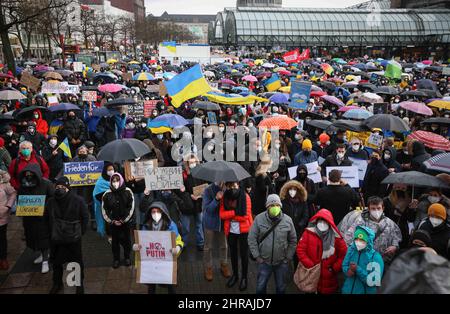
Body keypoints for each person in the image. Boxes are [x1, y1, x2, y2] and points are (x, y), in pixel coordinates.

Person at [46, 176, 89, 294]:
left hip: (73, 238)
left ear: (68, 187)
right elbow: (46, 218)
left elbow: (85, 217)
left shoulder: (78, 200)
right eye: (58, 187)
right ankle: (57, 283)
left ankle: (79, 284)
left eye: (63, 186)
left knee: (76, 262)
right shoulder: (51, 201)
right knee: (56, 262)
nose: (60, 188)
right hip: (56, 238)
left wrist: (80, 232)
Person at [248, 194, 297, 294]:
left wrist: (288, 257)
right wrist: (257, 256)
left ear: (280, 206)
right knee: (260, 288)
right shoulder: (259, 219)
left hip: (281, 262)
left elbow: (293, 240)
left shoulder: (288, 220)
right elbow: (251, 238)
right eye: (271, 205)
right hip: (264, 262)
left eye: (277, 205)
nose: (274, 207)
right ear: (267, 207)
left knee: (281, 288)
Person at [132, 201, 184, 294]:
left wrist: (178, 248)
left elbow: (179, 240)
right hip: (151, 263)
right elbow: (142, 242)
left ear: (163, 212)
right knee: (151, 286)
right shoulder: (146, 225)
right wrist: (137, 246)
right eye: (153, 212)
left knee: (170, 286)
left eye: (158, 211)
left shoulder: (171, 225)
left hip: (166, 262)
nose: (156, 214)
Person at [296, 208, 347, 294]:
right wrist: (310, 264)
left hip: (329, 278)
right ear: (316, 221)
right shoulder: (308, 233)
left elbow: (344, 254)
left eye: (325, 221)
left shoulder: (337, 237)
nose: (322, 224)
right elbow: (300, 250)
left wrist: (334, 268)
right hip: (311, 275)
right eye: (320, 221)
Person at [338, 196, 402, 264]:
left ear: (383, 208)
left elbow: (396, 237)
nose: (376, 211)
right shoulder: (360, 222)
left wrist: (394, 246)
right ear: (369, 209)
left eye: (378, 208)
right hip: (362, 261)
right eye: (373, 208)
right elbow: (348, 238)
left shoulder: (390, 223)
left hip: (381, 261)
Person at [18, 164, 54, 273]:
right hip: (29, 218)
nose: (28, 176)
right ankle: (42, 255)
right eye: (26, 174)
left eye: (31, 174)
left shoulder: (46, 184)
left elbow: (52, 198)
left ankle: (45, 260)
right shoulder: (23, 185)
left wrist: (45, 208)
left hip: (43, 218)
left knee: (43, 238)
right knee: (33, 237)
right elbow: (20, 197)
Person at [219, 181, 253, 291]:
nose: (232, 188)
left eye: (234, 186)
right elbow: (222, 215)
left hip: (244, 230)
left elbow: (245, 216)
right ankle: (235, 275)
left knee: (244, 254)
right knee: (232, 254)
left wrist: (231, 215)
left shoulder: (245, 197)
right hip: (231, 231)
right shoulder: (225, 197)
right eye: (230, 186)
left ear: (238, 185)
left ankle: (244, 277)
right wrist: (235, 213)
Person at [101, 172, 135, 268]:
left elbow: (131, 207)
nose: (115, 183)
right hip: (113, 223)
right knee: (115, 242)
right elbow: (104, 210)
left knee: (127, 241)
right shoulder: (107, 194)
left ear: (121, 180)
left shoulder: (128, 191)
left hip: (126, 222)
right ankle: (116, 259)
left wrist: (124, 220)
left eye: (117, 180)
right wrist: (112, 220)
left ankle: (127, 257)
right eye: (113, 181)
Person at [202, 182, 231, 281]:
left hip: (222, 223)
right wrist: (216, 199)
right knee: (208, 247)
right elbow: (208, 210)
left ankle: (224, 264)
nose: (221, 181)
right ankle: (208, 267)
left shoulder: (227, 189)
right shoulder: (208, 190)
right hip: (210, 222)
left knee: (224, 245)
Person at [341, 226, 384, 294]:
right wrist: (347, 271)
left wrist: (358, 269)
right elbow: (344, 265)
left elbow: (374, 281)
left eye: (362, 240)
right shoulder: (351, 250)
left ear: (368, 240)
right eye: (356, 239)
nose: (358, 242)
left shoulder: (375, 257)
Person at [179, 154, 204, 251]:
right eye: (190, 162)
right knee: (185, 226)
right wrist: (189, 195)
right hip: (187, 204)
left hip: (198, 203)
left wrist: (200, 195)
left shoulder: (201, 173)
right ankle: (183, 243)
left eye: (194, 162)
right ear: (187, 163)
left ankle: (200, 243)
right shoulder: (183, 174)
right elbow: (180, 190)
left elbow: (205, 186)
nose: (192, 164)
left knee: (199, 224)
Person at [383, 184, 415, 249]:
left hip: (403, 232)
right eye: (398, 187)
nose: (400, 190)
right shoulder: (386, 200)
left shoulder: (409, 201)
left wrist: (412, 209)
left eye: (403, 188)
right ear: (393, 187)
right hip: (389, 231)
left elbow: (411, 219)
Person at [0, 170, 16, 270]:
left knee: (1, 238)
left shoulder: (3, 182)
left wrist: (8, 206)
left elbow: (13, 193)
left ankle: (3, 258)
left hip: (1, 216)